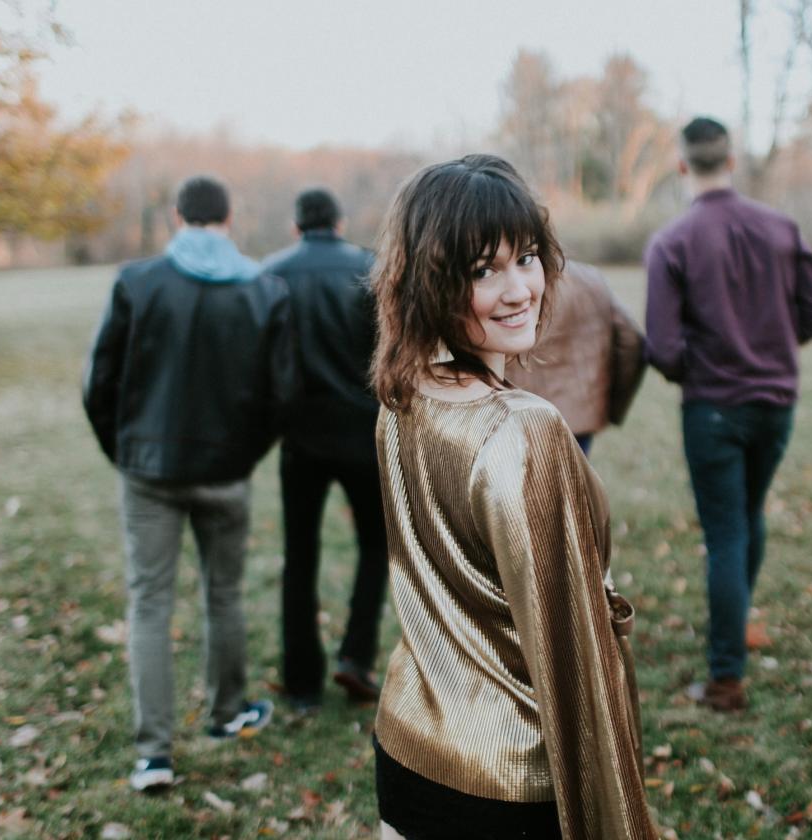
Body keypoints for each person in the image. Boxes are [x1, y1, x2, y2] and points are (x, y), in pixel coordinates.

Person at [368, 155, 657, 840]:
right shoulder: (524, 431)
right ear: (432, 284)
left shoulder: (403, 395)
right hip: (507, 780)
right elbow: (573, 652)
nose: (520, 288)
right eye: (481, 270)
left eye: (526, 257)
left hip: (409, 744)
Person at [82, 175, 291, 791]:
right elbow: (282, 397)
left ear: (178, 217)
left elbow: (100, 381)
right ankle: (225, 714)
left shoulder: (137, 281)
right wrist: (244, 456)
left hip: (149, 469)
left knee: (149, 602)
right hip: (224, 471)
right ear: (227, 218)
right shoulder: (264, 289)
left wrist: (124, 451)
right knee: (222, 594)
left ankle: (154, 754)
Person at [644, 117, 812, 713]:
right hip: (776, 404)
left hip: (714, 408)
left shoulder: (672, 241)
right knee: (746, 516)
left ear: (682, 166)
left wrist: (705, 368)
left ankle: (726, 677)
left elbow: (664, 349)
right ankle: (736, 630)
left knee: (728, 530)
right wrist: (770, 348)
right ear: (732, 160)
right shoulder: (780, 227)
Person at [257, 188, 387, 710]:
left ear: (296, 225)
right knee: (377, 546)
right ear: (339, 221)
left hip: (301, 437)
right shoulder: (368, 268)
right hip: (363, 432)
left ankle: (302, 679)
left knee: (300, 555)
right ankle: (355, 656)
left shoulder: (270, 273)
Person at [506, 260, 646, 453]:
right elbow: (631, 339)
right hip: (578, 419)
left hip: (517, 416)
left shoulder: (505, 283)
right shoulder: (589, 278)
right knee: (574, 480)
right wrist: (613, 406)